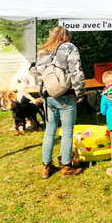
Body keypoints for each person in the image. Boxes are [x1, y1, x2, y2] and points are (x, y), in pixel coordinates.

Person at [37, 26, 86, 179]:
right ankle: (66, 166)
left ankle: (46, 166)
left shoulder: (43, 51)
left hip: (48, 96)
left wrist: (43, 94)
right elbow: (76, 72)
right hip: (66, 95)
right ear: (67, 36)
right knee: (67, 131)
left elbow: (38, 76)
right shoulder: (69, 48)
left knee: (49, 130)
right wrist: (80, 92)